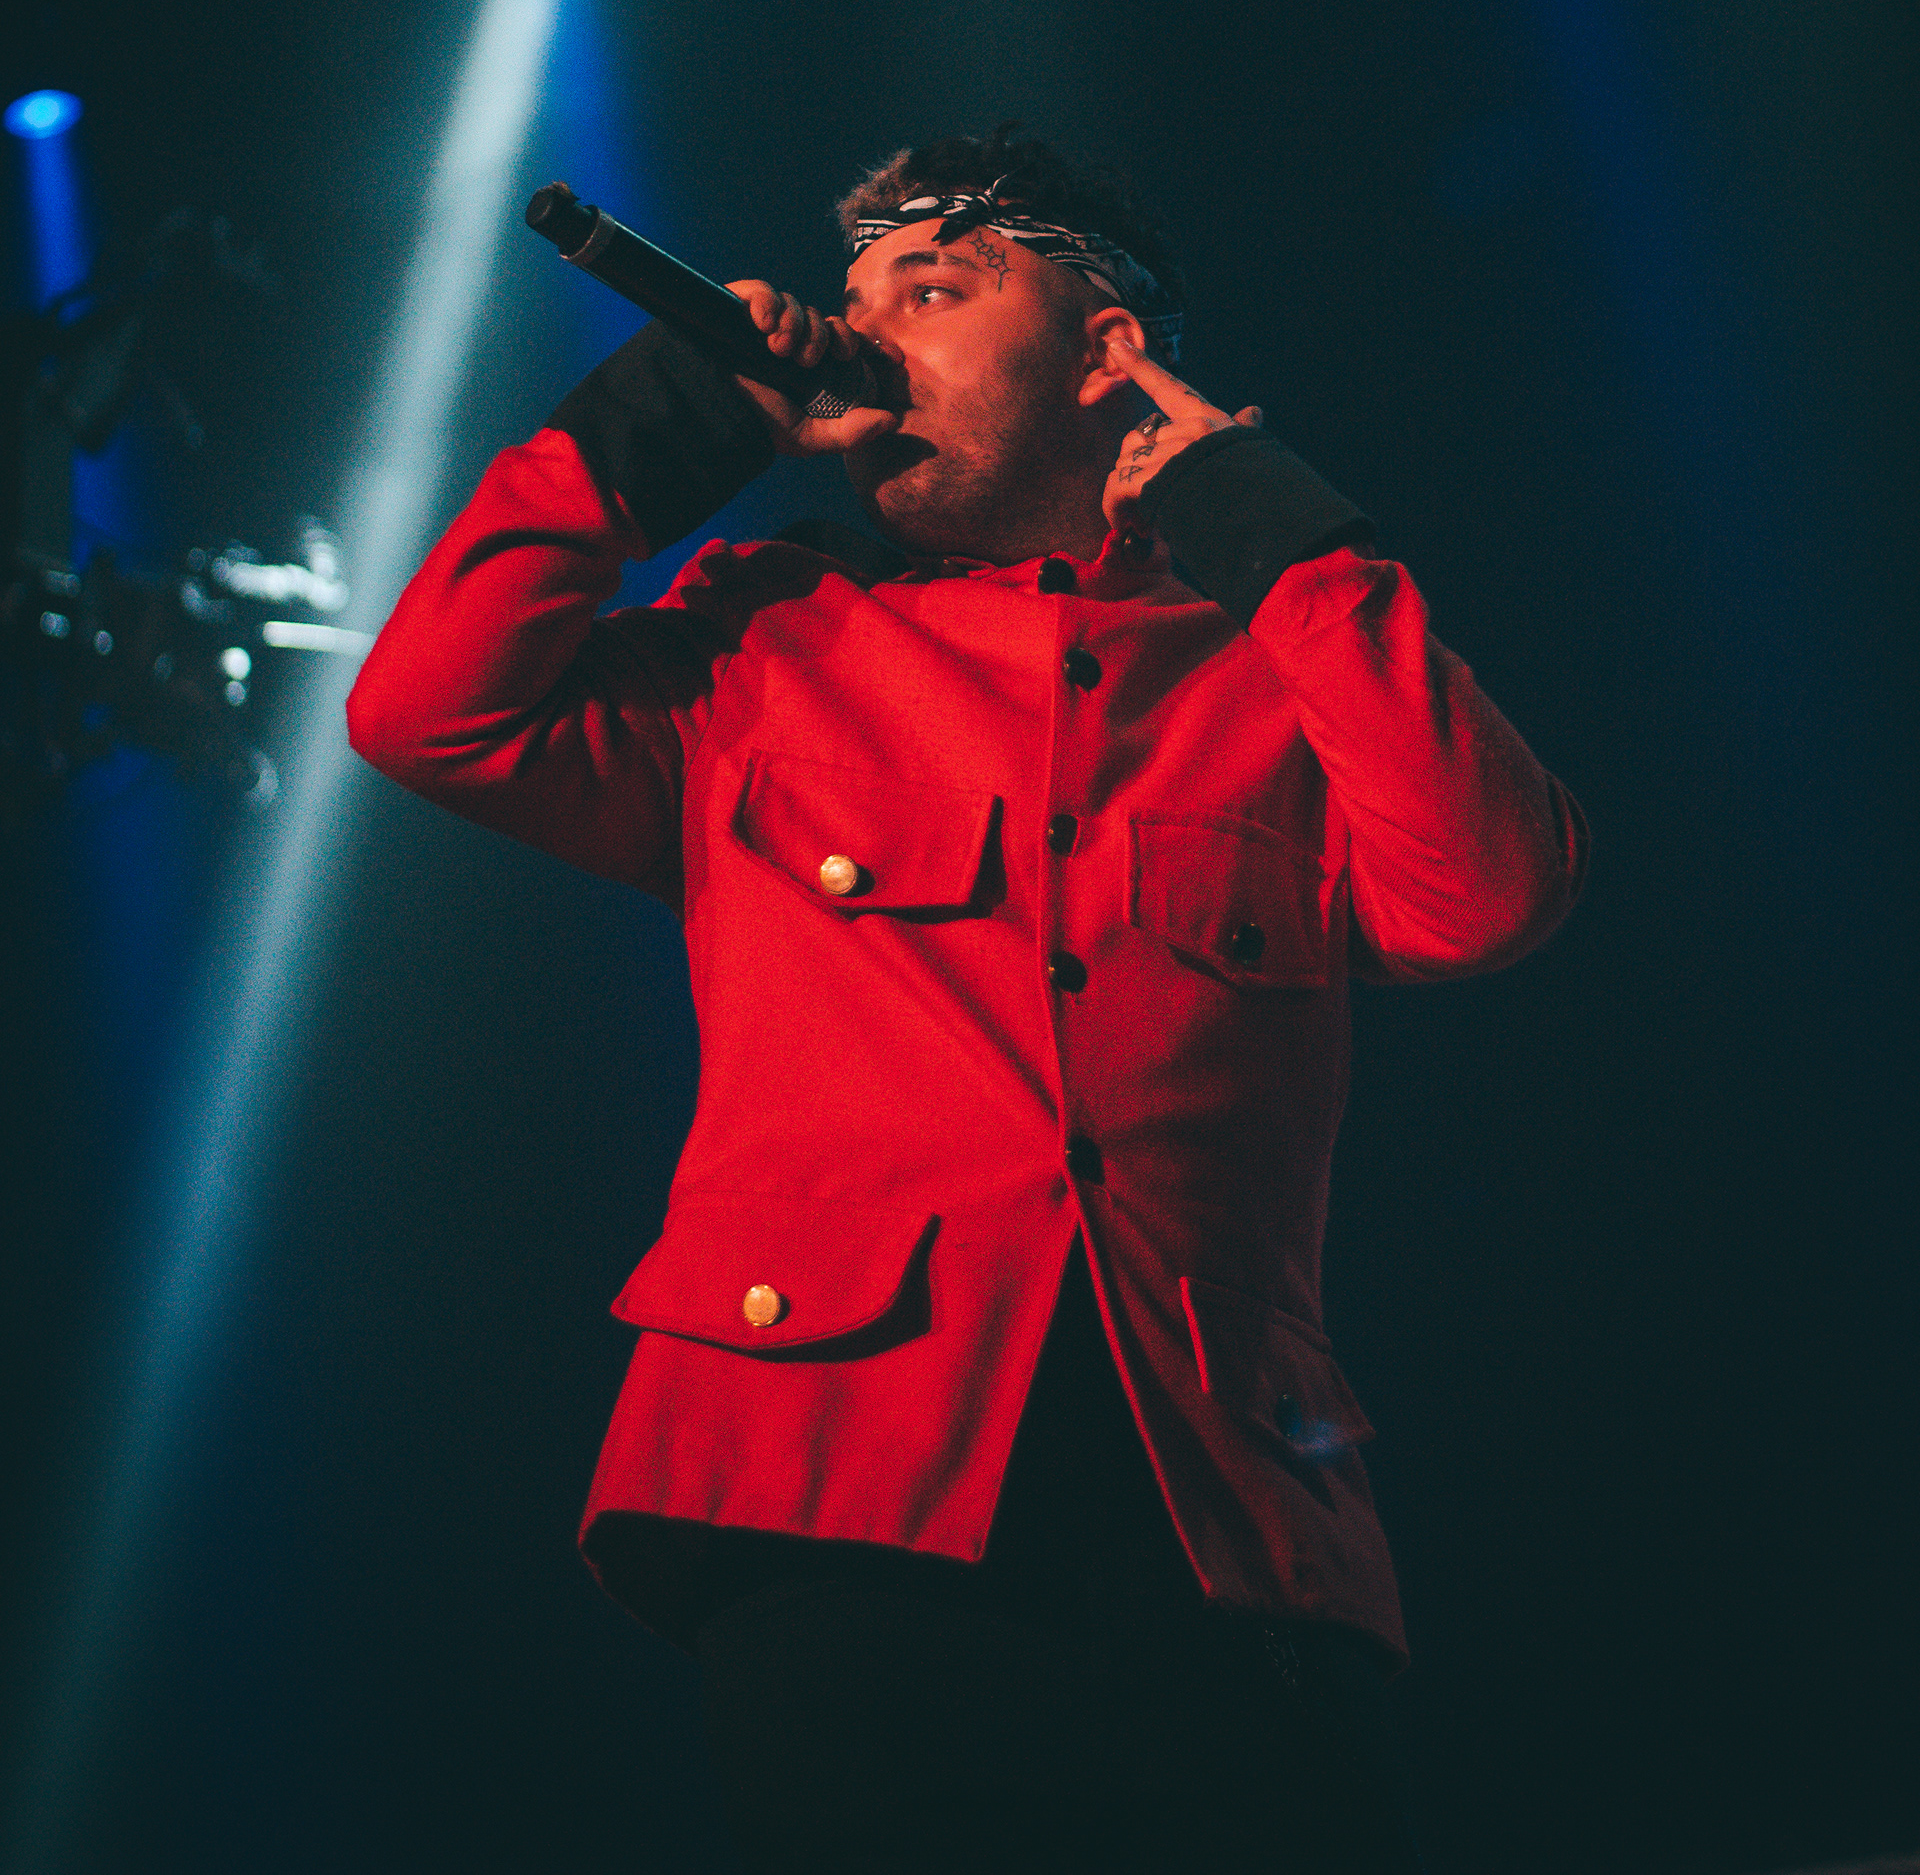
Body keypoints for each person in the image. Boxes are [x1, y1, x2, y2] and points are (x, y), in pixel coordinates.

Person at [347, 125, 1587, 1874]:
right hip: (847, 1497)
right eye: (855, 302)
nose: (863, 334)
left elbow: (1491, 891)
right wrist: (664, 425)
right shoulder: (759, 642)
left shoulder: (1273, 671)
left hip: (1221, 1526)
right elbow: (430, 715)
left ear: (1105, 349)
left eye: (930, 290)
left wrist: (1275, 536)